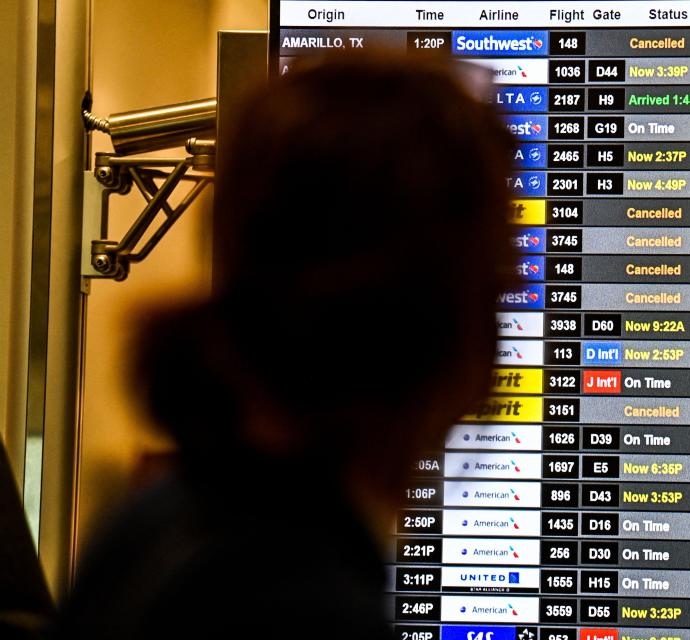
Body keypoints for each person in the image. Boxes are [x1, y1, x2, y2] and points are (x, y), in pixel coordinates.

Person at [53, 52, 515, 637]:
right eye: (498, 267)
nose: (513, 290)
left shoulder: (155, 523)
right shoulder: (305, 610)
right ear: (437, 320)